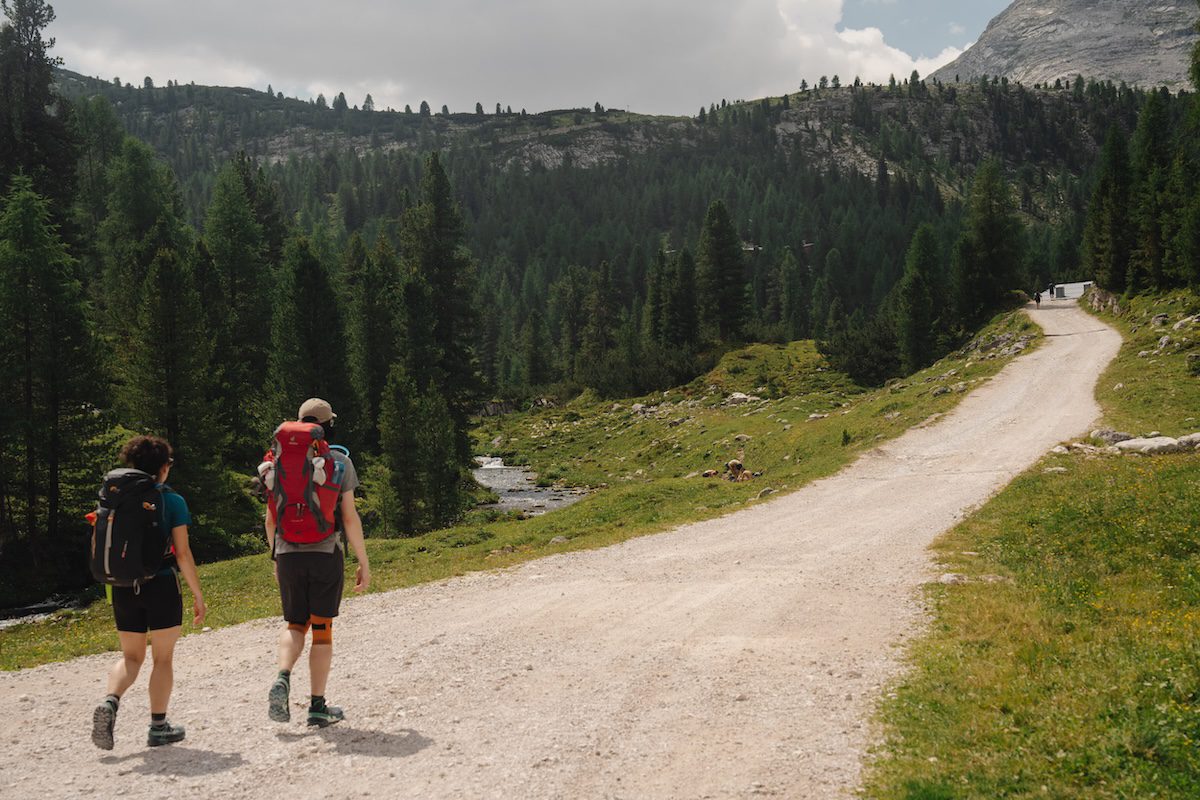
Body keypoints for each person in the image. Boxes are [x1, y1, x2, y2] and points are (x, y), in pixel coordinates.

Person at [92, 435, 206, 750]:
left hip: (123, 588)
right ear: (163, 468)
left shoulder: (114, 498)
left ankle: (111, 701)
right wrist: (198, 595)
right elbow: (182, 554)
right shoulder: (172, 501)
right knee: (162, 658)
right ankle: (158, 726)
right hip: (161, 584)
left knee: (131, 657)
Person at [266, 398, 370, 727]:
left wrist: (276, 555)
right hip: (325, 554)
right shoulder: (338, 461)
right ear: (328, 426)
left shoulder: (274, 462)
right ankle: (317, 706)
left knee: (295, 624)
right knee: (322, 631)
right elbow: (349, 518)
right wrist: (363, 561)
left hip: (287, 553)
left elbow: (270, 518)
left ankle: (282, 676)